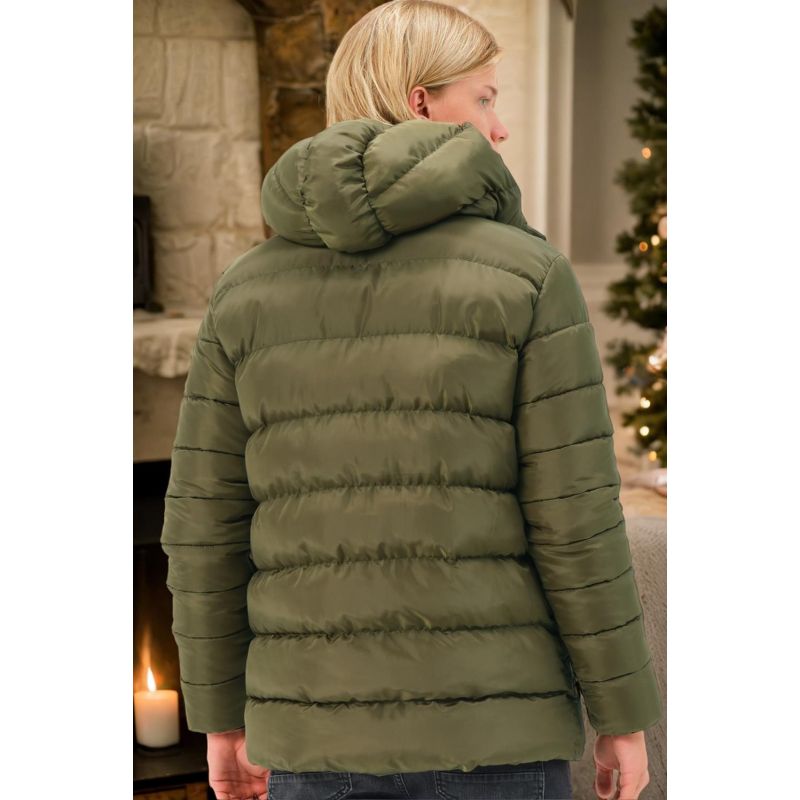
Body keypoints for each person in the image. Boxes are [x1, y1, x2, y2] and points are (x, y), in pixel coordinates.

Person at [159, 2, 663, 799]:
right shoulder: (528, 277)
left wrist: (219, 719)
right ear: (422, 102)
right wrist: (623, 716)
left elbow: (203, 528)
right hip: (495, 737)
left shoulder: (244, 291)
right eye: (484, 98)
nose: (499, 128)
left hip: (311, 742)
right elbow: (576, 520)